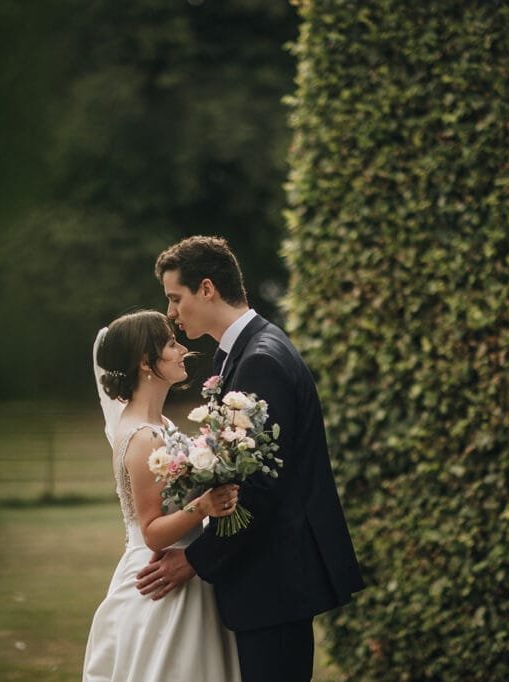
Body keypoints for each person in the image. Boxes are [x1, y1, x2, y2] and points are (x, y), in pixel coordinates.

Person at [137, 236, 365, 682]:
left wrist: (195, 560)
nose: (171, 313)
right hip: (267, 576)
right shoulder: (247, 351)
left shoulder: (260, 359)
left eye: (174, 298)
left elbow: (260, 486)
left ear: (207, 288)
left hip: (274, 577)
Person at [83, 310, 242, 681]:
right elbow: (152, 530)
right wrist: (202, 506)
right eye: (171, 343)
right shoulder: (142, 438)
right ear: (145, 362)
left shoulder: (161, 425)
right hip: (160, 577)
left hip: (188, 572)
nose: (182, 349)